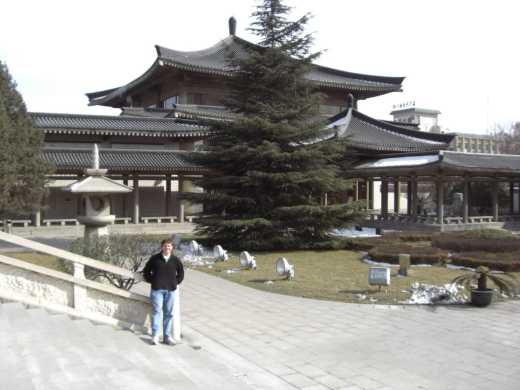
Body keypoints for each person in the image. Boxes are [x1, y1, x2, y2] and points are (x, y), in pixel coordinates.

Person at [143, 238, 184, 345]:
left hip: (170, 291)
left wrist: (175, 282)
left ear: (172, 248)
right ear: (162, 247)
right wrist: (153, 280)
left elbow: (181, 273)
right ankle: (155, 336)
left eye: (169, 246)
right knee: (156, 312)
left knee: (168, 314)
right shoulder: (155, 259)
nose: (167, 248)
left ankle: (167, 337)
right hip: (157, 290)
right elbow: (146, 271)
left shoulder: (175, 260)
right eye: (165, 246)